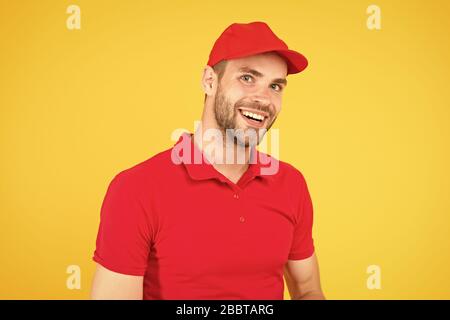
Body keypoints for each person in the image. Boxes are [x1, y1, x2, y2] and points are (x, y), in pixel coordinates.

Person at [90, 21, 325, 300]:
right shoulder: (136, 188)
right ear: (209, 81)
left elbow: (308, 290)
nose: (264, 99)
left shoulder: (291, 184)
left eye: (275, 86)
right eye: (247, 78)